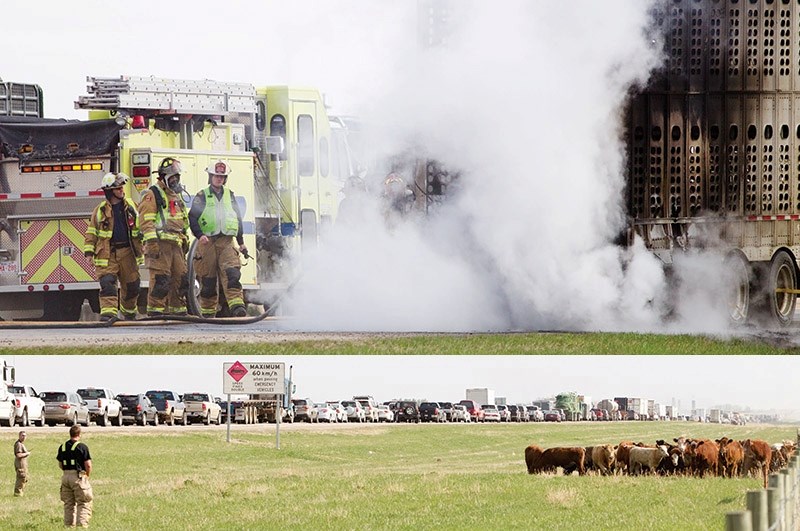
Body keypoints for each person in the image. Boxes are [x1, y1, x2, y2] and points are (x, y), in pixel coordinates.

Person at [188, 160, 248, 317]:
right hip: (207, 242)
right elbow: (192, 218)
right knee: (208, 280)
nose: (219, 179)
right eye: (216, 176)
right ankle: (208, 313)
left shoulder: (230, 195)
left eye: (222, 176)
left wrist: (241, 243)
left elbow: (238, 219)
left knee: (232, 274)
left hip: (227, 242)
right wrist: (200, 235)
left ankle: (237, 307)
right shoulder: (202, 196)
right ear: (210, 177)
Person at [83, 172, 143, 321]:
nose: (122, 190)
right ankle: (109, 315)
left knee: (132, 286)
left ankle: (128, 313)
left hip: (128, 252)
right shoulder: (100, 210)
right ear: (110, 191)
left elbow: (142, 226)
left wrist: (146, 243)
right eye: (118, 188)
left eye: (122, 188)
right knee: (107, 283)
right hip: (107, 253)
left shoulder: (131, 207)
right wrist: (89, 253)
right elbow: (91, 233)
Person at [138, 157, 190, 316]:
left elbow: (183, 221)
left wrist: (185, 239)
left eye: (177, 177)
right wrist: (152, 243)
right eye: (172, 177)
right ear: (163, 177)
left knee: (181, 280)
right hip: (160, 246)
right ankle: (155, 312)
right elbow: (146, 221)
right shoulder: (152, 194)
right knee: (161, 280)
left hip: (176, 246)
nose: (175, 180)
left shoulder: (176, 195)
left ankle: (178, 311)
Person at [56, 425, 93, 528]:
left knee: (68, 504)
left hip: (65, 476)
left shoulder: (62, 447)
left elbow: (60, 464)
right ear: (79, 434)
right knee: (83, 502)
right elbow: (88, 465)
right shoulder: (82, 447)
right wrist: (87, 475)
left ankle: (68, 526)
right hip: (77, 477)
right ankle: (82, 526)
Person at [13, 430, 30, 497]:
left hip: (22, 464)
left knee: (24, 478)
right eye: (22, 435)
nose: (24, 437)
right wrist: (27, 453)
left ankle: (20, 493)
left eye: (25, 436)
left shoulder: (21, 444)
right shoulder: (19, 444)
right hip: (20, 464)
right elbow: (18, 455)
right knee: (21, 477)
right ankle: (18, 494)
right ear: (19, 436)